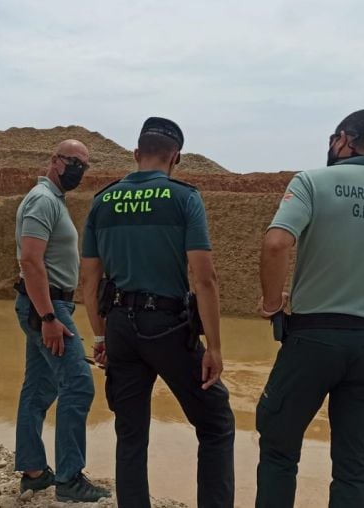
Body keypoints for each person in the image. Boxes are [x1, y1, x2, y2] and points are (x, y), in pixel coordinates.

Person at [255, 109, 364, 508]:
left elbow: (277, 243)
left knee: (279, 450)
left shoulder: (312, 182)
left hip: (313, 338)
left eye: (335, 138)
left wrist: (271, 304)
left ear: (346, 139)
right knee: (355, 468)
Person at [82, 117, 235, 508]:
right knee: (215, 421)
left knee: (130, 432)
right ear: (176, 158)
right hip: (167, 326)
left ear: (136, 154)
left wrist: (100, 337)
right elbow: (205, 278)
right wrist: (214, 348)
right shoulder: (184, 198)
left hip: (118, 326)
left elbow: (89, 280)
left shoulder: (103, 200)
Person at [13, 139, 108, 503]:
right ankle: (69, 480)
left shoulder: (53, 200)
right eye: (73, 162)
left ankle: (34, 472)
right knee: (79, 385)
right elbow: (31, 261)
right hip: (47, 307)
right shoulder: (41, 200)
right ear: (54, 160)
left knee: (38, 389)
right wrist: (49, 316)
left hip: (46, 305)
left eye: (85, 164)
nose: (79, 170)